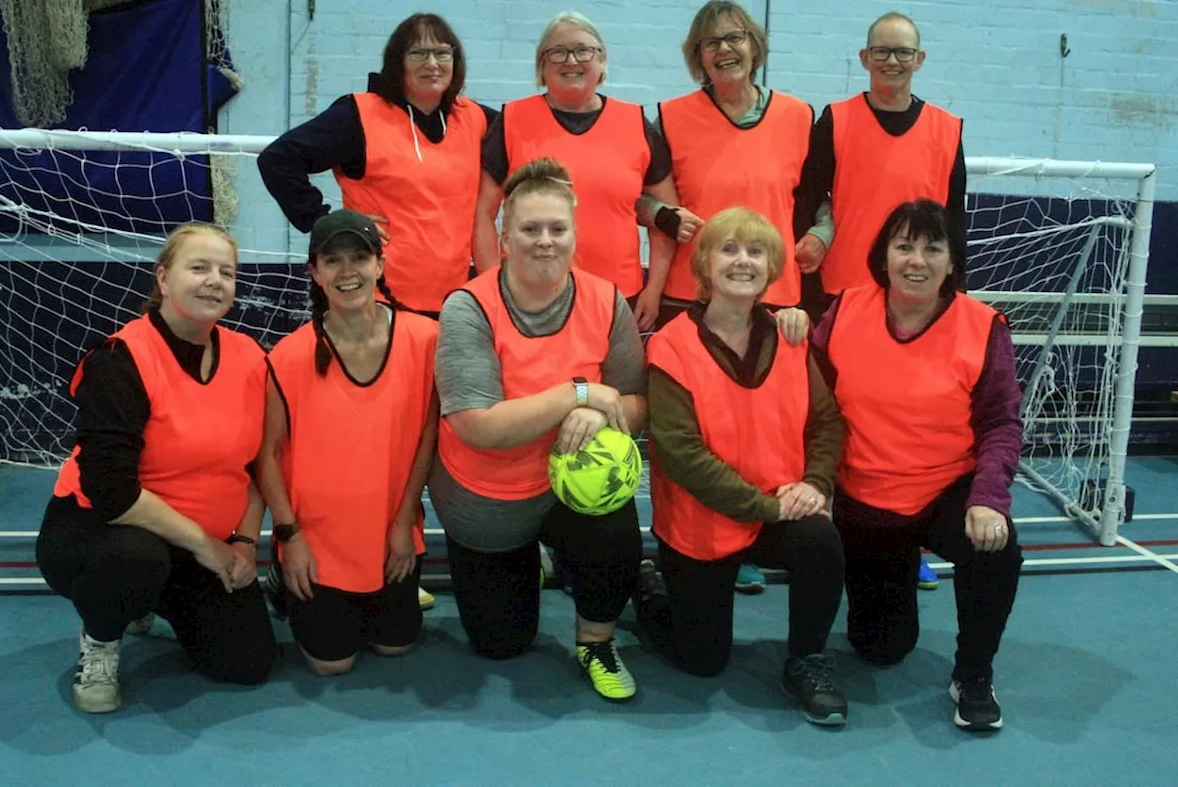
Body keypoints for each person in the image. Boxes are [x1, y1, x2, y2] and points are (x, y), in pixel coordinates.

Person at [259, 13, 493, 607]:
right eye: (418, 54)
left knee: (443, 444)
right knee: (371, 450)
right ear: (396, 63)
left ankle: (448, 553)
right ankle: (335, 559)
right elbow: (278, 159)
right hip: (378, 311)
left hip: (451, 312)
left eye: (443, 52)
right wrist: (327, 225)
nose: (432, 63)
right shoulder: (359, 114)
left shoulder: (476, 120)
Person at [35, 224, 277, 713]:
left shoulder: (251, 356)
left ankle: (150, 599)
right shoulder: (120, 360)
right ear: (163, 279)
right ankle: (102, 640)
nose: (215, 281)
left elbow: (258, 466)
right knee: (135, 562)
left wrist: (245, 544)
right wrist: (207, 546)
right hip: (100, 530)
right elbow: (114, 494)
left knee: (248, 664)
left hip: (195, 543)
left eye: (226, 272)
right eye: (199, 267)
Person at [434, 157, 648, 702]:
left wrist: (600, 412)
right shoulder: (468, 307)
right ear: (505, 238)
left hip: (569, 488)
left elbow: (637, 403)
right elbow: (476, 425)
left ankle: (597, 639)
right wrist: (577, 394)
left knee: (614, 522)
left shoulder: (606, 299)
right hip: (490, 494)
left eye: (558, 229)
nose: (545, 241)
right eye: (530, 229)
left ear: (576, 235)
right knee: (501, 644)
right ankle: (531, 557)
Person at [815, 199, 1023, 731]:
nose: (917, 259)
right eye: (903, 245)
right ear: (882, 256)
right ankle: (898, 572)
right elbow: (805, 398)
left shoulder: (982, 326)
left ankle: (973, 673)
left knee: (997, 547)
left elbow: (1001, 423)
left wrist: (988, 499)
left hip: (945, 489)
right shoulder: (843, 310)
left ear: (953, 261)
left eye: (934, 247)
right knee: (880, 649)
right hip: (865, 497)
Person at [639, 207, 848, 726]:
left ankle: (807, 660)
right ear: (705, 264)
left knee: (822, 541)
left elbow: (826, 424)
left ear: (773, 267)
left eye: (756, 251)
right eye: (729, 249)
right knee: (703, 662)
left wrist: (816, 484)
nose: (743, 261)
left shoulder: (793, 338)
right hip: (702, 524)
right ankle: (651, 589)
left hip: (776, 509)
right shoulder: (671, 346)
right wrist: (768, 505)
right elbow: (681, 454)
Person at [256, 210, 438, 676]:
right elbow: (267, 456)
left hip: (390, 536)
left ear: (380, 264)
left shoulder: (424, 340)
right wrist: (289, 537)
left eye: (360, 257)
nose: (348, 272)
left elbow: (427, 438)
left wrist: (404, 526)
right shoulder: (289, 355)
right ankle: (284, 580)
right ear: (315, 273)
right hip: (317, 544)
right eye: (332, 261)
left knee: (394, 647)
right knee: (331, 665)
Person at [473, 11, 681, 330]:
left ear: (602, 62)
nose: (571, 61)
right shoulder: (513, 121)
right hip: (528, 298)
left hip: (619, 297)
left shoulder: (635, 123)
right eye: (557, 51)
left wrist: (654, 291)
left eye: (583, 50)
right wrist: (490, 288)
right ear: (541, 66)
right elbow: (483, 214)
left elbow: (668, 218)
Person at [641, 0, 814, 328]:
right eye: (711, 43)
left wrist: (822, 233)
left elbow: (819, 200)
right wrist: (659, 215)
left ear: (754, 45)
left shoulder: (799, 116)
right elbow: (636, 199)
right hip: (690, 293)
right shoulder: (669, 119)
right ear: (699, 56)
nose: (724, 49)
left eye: (735, 38)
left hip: (773, 296)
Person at [795, 11, 966, 317]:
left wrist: (956, 289)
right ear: (865, 58)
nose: (892, 61)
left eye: (903, 52)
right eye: (882, 51)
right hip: (842, 290)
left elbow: (954, 216)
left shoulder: (948, 129)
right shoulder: (835, 120)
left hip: (919, 291)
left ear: (919, 59)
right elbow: (807, 200)